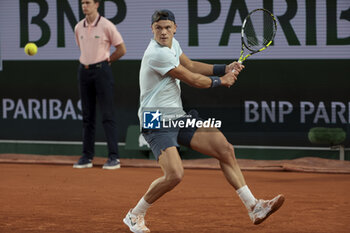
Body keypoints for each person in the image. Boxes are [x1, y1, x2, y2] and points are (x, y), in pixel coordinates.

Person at [123, 9, 284, 233]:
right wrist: (221, 81)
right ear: (152, 29)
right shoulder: (156, 53)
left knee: (224, 149)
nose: (163, 32)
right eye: (158, 28)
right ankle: (135, 214)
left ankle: (253, 206)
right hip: (155, 119)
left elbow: (189, 65)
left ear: (174, 28)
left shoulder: (172, 45)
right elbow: (190, 78)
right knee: (174, 175)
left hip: (177, 116)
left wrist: (223, 68)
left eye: (167, 27)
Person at [73, 0, 126, 170]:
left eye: (87, 2)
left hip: (102, 71)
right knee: (87, 116)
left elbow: (121, 49)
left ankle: (114, 158)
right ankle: (87, 157)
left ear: (96, 4)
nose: (84, 6)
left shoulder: (106, 25)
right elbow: (83, 48)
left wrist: (107, 61)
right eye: (82, 3)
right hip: (84, 71)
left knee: (107, 115)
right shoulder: (78, 27)